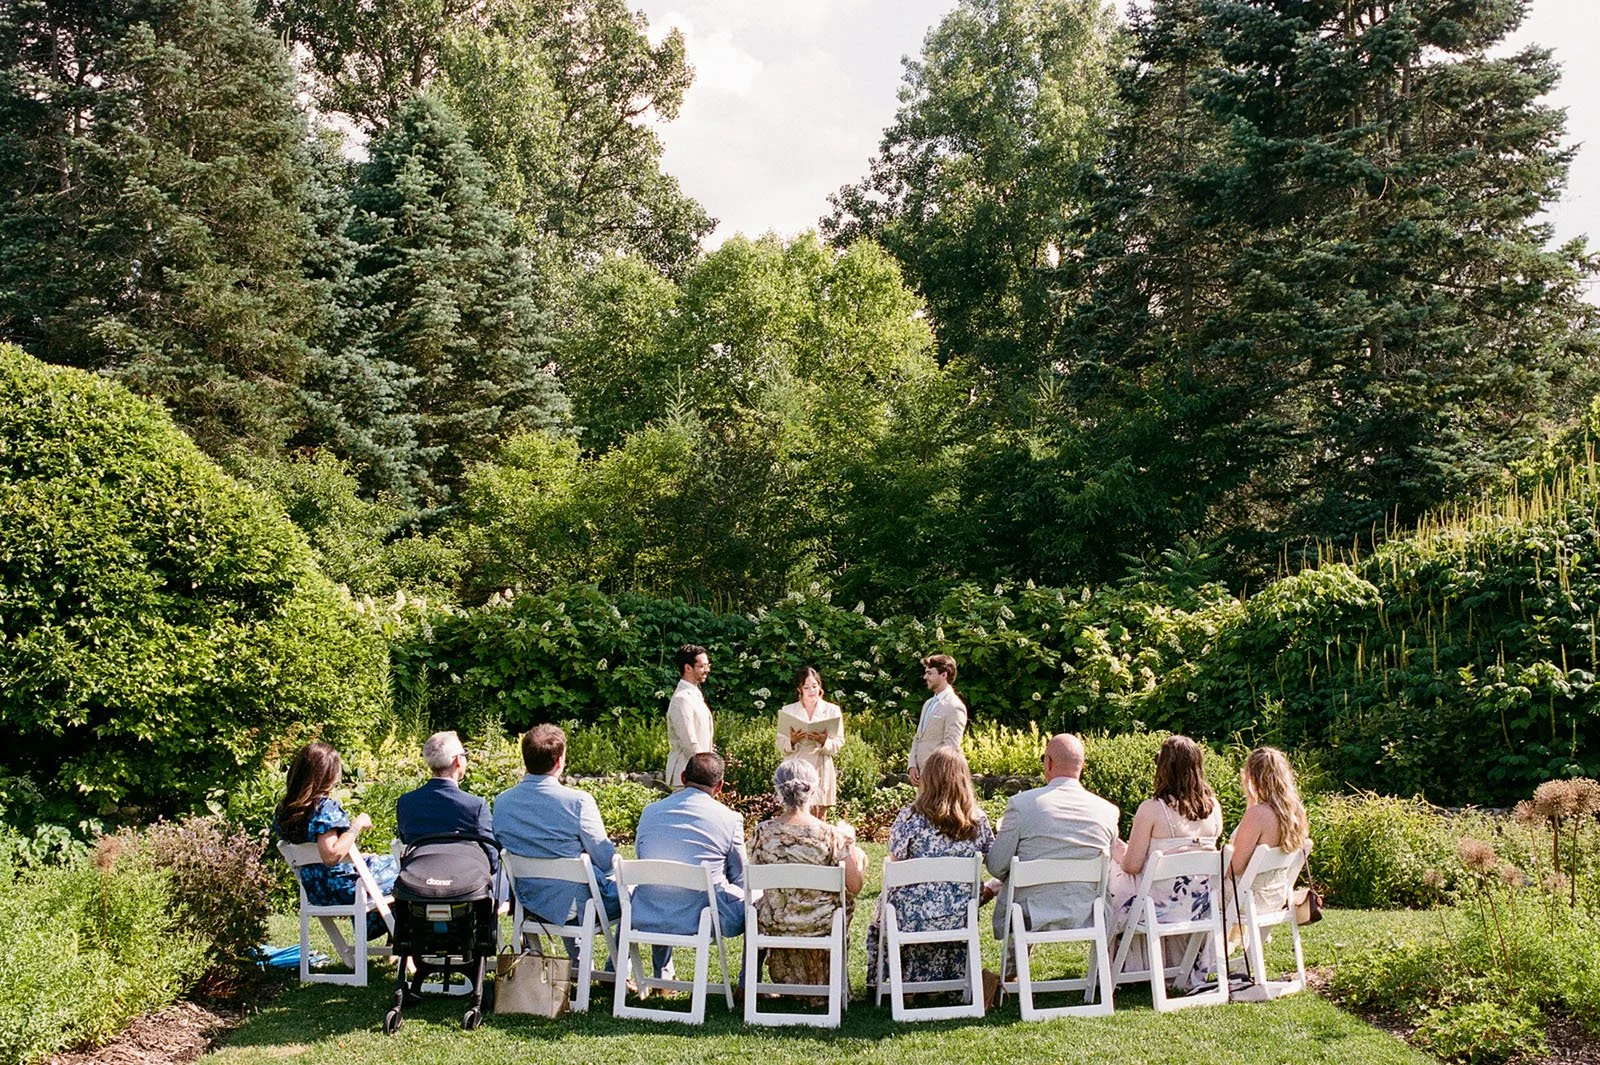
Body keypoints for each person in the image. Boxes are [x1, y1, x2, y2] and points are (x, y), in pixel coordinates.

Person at [865, 746, 994, 991]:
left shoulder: (909, 818)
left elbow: (894, 869)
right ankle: (944, 983)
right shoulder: (978, 821)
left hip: (911, 918)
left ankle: (903, 982)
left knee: (886, 906)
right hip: (958, 918)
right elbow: (994, 861)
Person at [493, 724, 620, 947]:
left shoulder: (502, 802)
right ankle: (615, 970)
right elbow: (605, 859)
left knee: (573, 885)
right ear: (560, 761)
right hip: (576, 905)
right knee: (634, 896)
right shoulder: (578, 802)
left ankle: (580, 966)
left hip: (529, 901)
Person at [985, 733, 1119, 942]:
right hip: (1088, 913)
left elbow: (995, 865)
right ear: (1082, 766)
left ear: (1048, 763)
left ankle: (1012, 972)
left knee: (1017, 889)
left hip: (1029, 914)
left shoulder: (1021, 805)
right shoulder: (1108, 811)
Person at [750, 758, 867, 989]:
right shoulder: (831, 835)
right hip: (821, 924)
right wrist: (850, 845)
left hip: (776, 922)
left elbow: (754, 875)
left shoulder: (762, 833)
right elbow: (855, 886)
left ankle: (753, 984)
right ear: (813, 790)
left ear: (778, 790)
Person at [632, 751, 747, 977]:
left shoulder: (650, 812)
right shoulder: (729, 818)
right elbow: (741, 876)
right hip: (702, 915)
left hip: (648, 911)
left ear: (683, 777)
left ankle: (661, 975)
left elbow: (643, 857)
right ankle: (747, 983)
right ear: (720, 786)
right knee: (754, 903)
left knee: (663, 884)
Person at [273, 741, 398, 940]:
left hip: (316, 891)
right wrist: (356, 825)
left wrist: (358, 857)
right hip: (343, 889)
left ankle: (393, 939)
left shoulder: (284, 811)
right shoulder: (323, 808)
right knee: (405, 870)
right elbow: (331, 855)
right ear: (328, 774)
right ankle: (402, 942)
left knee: (380, 862)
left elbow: (315, 854)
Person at [1108, 735, 1221, 933]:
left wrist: (1117, 851)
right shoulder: (1214, 809)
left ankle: (1123, 961)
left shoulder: (1151, 810)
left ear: (1163, 768)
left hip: (1156, 911)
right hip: (1198, 910)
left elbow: (1132, 866)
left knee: (1111, 871)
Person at [395, 730, 498, 876]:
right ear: (457, 761)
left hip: (419, 881)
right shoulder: (475, 806)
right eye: (465, 755)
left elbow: (406, 843)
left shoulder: (406, 803)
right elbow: (492, 858)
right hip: (465, 884)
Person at [1228, 746, 1311, 913]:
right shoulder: (1295, 812)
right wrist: (1251, 801)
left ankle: (1195, 940)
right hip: (1276, 897)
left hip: (1247, 899)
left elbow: (1234, 869)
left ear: (1254, 778)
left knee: (1199, 891)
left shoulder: (1258, 815)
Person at [774, 666, 844, 814]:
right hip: (796, 767)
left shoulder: (832, 710)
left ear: (820, 686)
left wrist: (824, 741)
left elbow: (839, 742)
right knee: (795, 815)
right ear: (800, 689)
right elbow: (780, 743)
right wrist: (792, 741)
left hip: (820, 766)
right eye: (807, 687)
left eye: (815, 686)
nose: (812, 691)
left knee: (819, 817)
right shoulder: (788, 710)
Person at [908, 654, 966, 786]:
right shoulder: (928, 704)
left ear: (944, 675)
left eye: (929, 673)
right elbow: (918, 737)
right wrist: (912, 766)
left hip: (939, 780)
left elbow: (950, 748)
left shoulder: (955, 707)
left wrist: (930, 773)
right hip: (921, 780)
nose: (925, 677)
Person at [665, 643, 714, 790]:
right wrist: (708, 772)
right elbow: (689, 743)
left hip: (697, 777)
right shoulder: (681, 699)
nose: (707, 670)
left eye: (707, 665)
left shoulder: (693, 695)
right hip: (686, 777)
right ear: (688, 668)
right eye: (702, 666)